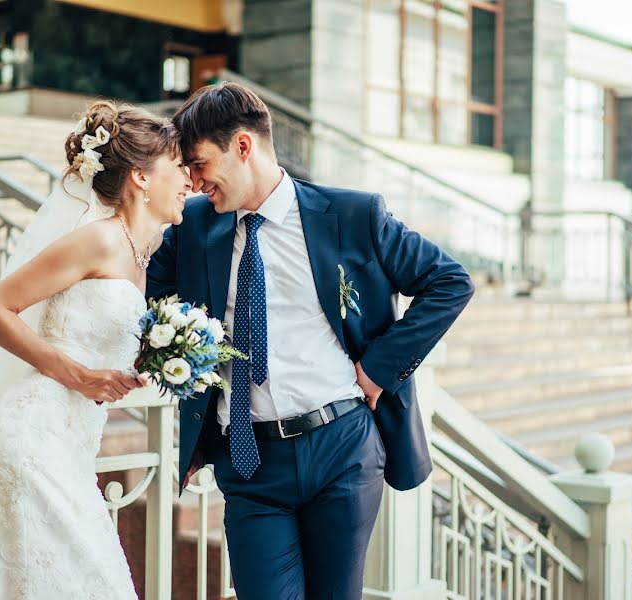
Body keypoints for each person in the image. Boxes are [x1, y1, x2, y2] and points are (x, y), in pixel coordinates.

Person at [147, 82, 475, 599]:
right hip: (249, 462)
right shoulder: (192, 227)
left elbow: (450, 282)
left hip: (342, 448)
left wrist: (377, 370)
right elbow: (146, 303)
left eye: (199, 164)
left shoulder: (352, 215)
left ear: (242, 146)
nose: (193, 180)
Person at [0, 100, 192, 599]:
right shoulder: (99, 240)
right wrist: (79, 375)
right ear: (141, 178)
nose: (189, 181)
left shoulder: (139, 253)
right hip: (29, 444)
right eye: (177, 167)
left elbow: (94, 332)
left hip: (70, 450)